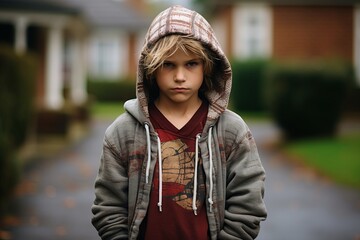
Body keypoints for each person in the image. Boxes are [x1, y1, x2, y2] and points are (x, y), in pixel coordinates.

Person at [91, 5, 267, 240]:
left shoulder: (232, 131)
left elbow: (248, 204)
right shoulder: (123, 133)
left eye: (191, 64)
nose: (180, 76)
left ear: (207, 66)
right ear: (151, 68)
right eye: (169, 64)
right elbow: (109, 209)